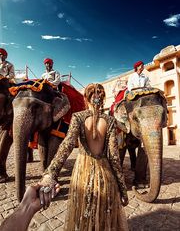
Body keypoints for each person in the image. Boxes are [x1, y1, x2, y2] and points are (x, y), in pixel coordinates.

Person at [39, 83, 129, 230]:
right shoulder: (111, 121)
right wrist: (123, 189)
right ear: (103, 99)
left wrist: (50, 174)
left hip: (82, 174)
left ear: (86, 100)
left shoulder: (78, 117)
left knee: (84, 214)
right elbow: (114, 157)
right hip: (105, 177)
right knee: (104, 215)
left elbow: (66, 146)